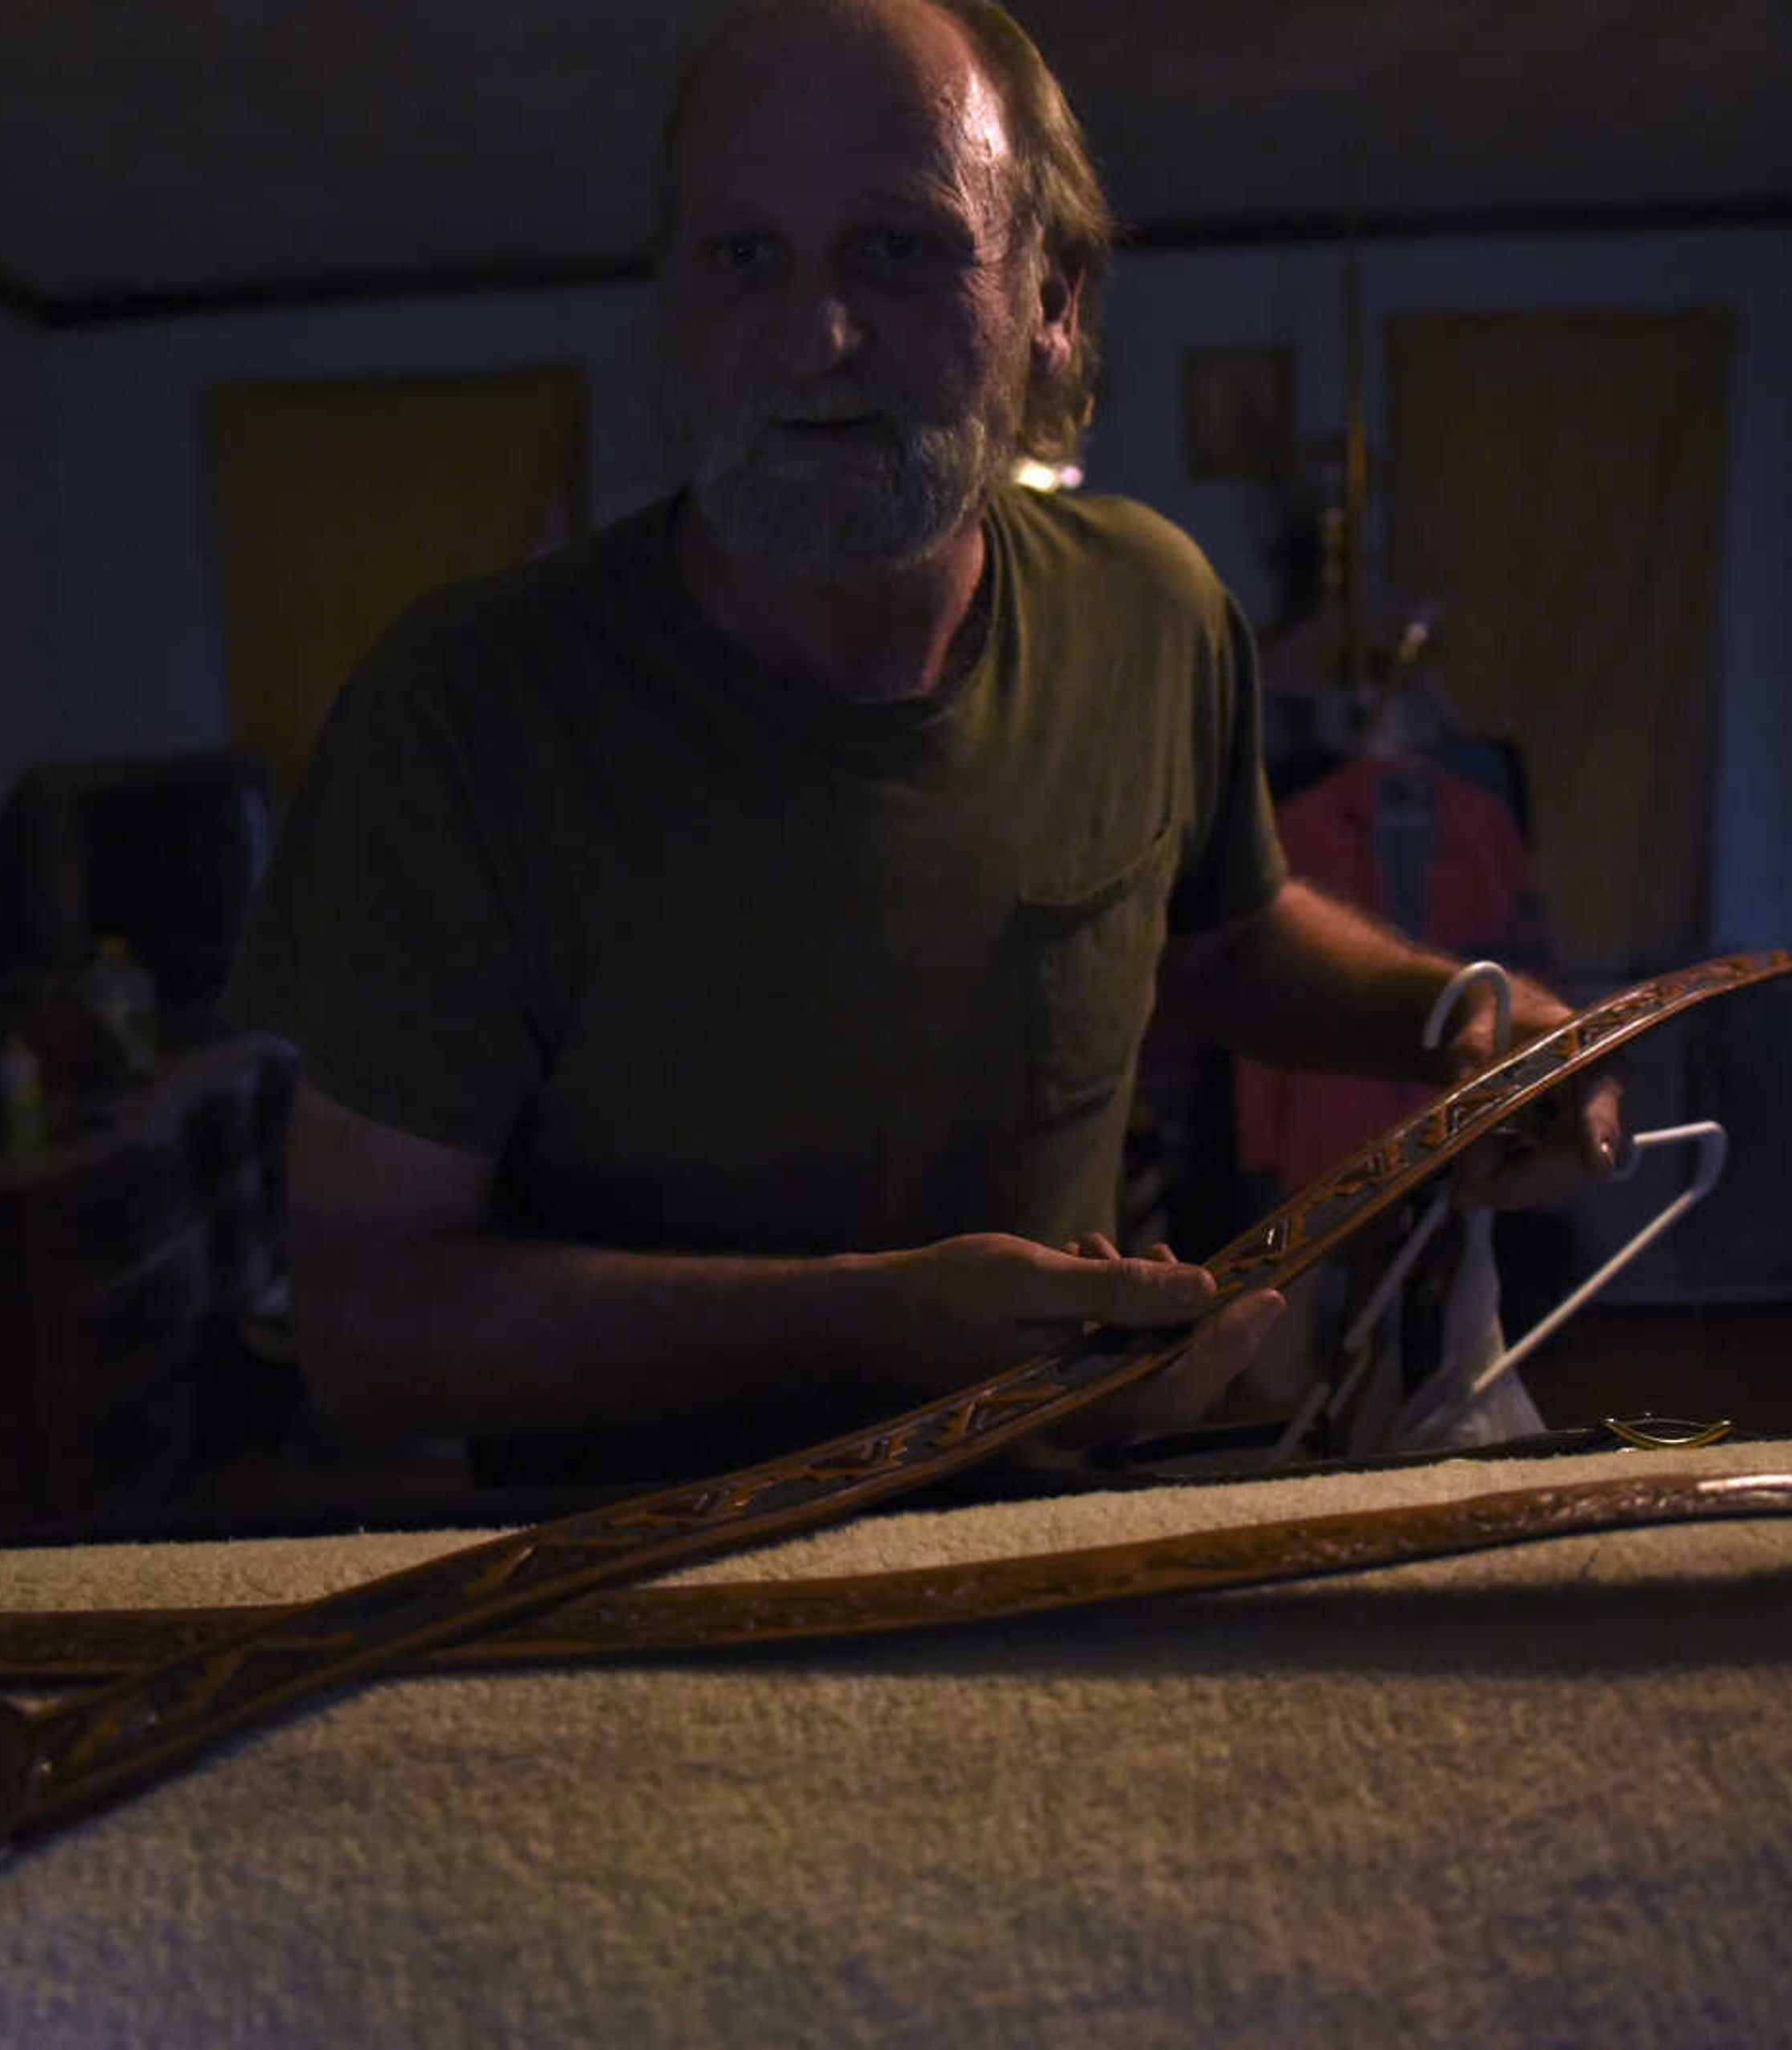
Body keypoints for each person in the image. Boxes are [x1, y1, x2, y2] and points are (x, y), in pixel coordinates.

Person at [222, 0, 1619, 1481]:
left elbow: (1215, 934)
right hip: (623, 1611)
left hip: (1046, 1552)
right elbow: (369, 1324)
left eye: (896, 247)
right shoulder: (463, 707)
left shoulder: (1155, 611)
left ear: (1055, 298)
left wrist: (1455, 1017)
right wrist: (870, 1326)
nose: (811, 338)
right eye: (741, 255)